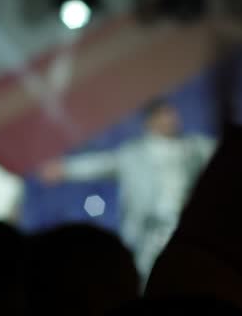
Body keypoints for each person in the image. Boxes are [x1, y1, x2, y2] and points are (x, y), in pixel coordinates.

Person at [40, 100, 215, 282]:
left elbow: (223, 152)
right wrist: (66, 169)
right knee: (145, 276)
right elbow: (101, 164)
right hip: (147, 231)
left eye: (171, 115)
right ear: (150, 121)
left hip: (184, 227)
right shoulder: (133, 155)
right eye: (164, 115)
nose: (171, 120)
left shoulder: (194, 147)